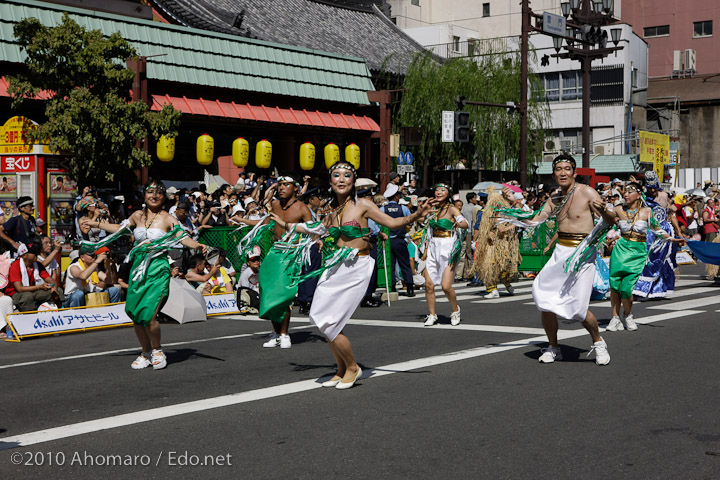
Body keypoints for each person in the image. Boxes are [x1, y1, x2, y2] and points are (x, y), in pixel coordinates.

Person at [270, 161, 434, 389]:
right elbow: (314, 230)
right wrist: (286, 225)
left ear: (353, 181)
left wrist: (416, 215)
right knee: (320, 317)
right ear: (330, 181)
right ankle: (341, 369)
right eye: (336, 175)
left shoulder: (364, 205)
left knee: (331, 321)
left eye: (347, 175)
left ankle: (353, 367)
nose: (341, 179)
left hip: (357, 266)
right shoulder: (330, 210)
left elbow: (393, 223)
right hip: (335, 266)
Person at [82, 180, 207, 370]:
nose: (154, 196)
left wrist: (197, 245)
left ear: (164, 197)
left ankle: (157, 350)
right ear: (145, 195)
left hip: (158, 268)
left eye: (158, 193)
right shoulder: (137, 216)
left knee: (149, 314)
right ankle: (145, 352)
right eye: (150, 192)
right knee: (135, 312)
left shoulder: (167, 218)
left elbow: (183, 237)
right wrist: (94, 223)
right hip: (138, 268)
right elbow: (119, 229)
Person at [526, 154, 615, 365]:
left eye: (567, 169)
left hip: (582, 253)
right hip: (561, 251)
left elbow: (611, 221)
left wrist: (604, 210)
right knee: (544, 298)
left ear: (574, 173)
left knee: (577, 308)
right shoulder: (555, 197)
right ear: (554, 174)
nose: (563, 173)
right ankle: (553, 347)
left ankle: (598, 342)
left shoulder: (586, 192)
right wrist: (511, 218)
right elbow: (536, 220)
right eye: (559, 169)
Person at [256, 176, 312, 349]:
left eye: (286, 185)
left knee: (283, 294)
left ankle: (285, 333)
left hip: (291, 254)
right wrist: (244, 222)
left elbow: (313, 229)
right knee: (268, 292)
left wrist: (317, 241)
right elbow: (265, 223)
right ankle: (276, 332)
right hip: (274, 252)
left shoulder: (302, 208)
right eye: (279, 185)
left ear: (295, 188)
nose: (281, 188)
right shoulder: (274, 205)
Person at [421, 183, 469, 327]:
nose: (439, 192)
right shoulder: (433, 209)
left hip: (448, 246)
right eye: (437, 190)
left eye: (443, 190)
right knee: (428, 285)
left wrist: (459, 224)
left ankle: (455, 310)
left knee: (446, 286)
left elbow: (465, 223)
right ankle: (432, 314)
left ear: (448, 193)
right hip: (434, 246)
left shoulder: (452, 209)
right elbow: (424, 225)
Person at [633, 171, 681, 299]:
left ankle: (659, 289)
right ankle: (642, 289)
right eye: (650, 187)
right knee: (647, 260)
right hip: (649, 232)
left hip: (664, 231)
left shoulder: (665, 195)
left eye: (654, 186)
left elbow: (671, 214)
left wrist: (678, 232)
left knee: (663, 260)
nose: (653, 189)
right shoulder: (642, 197)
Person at [470, 187, 520, 299]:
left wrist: (509, 228)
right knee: (489, 266)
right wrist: (489, 233)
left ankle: (506, 283)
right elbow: (486, 228)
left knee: (504, 266)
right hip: (491, 245)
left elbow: (520, 218)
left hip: (504, 244)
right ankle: (493, 290)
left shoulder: (506, 212)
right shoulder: (487, 213)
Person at [6, 242, 65, 311]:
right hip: (16, 294)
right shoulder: (15, 266)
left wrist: (54, 288)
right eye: (33, 252)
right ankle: (30, 317)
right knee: (27, 296)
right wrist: (40, 287)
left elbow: (51, 280)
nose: (36, 254)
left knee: (58, 290)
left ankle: (60, 312)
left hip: (33, 292)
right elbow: (19, 288)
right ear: (24, 255)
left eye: (37, 251)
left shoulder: (38, 265)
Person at [381, 183, 415, 297]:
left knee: (390, 264)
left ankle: (392, 287)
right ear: (396, 197)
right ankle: (409, 287)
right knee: (404, 263)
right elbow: (410, 222)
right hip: (400, 240)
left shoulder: (382, 209)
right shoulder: (403, 208)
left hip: (387, 240)